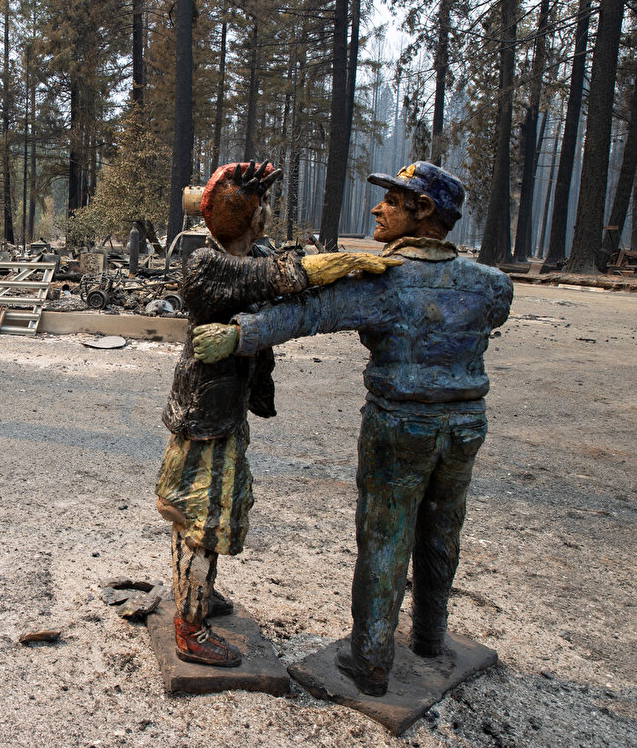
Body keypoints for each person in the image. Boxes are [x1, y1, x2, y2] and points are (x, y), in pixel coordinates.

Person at [191, 161, 513, 694]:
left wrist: (238, 336)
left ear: (424, 210)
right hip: (465, 424)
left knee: (386, 534)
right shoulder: (490, 286)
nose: (377, 207)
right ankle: (431, 638)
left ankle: (369, 662)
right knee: (442, 528)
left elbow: (309, 314)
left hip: (400, 424)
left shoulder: (388, 282)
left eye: (392, 199)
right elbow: (491, 316)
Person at [158, 161, 400, 666]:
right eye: (256, 208)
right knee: (202, 518)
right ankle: (190, 627)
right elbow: (279, 276)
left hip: (226, 409)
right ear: (254, 218)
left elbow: (282, 269)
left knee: (222, 506)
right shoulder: (206, 264)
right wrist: (346, 263)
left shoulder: (253, 252)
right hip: (207, 413)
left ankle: (199, 594)